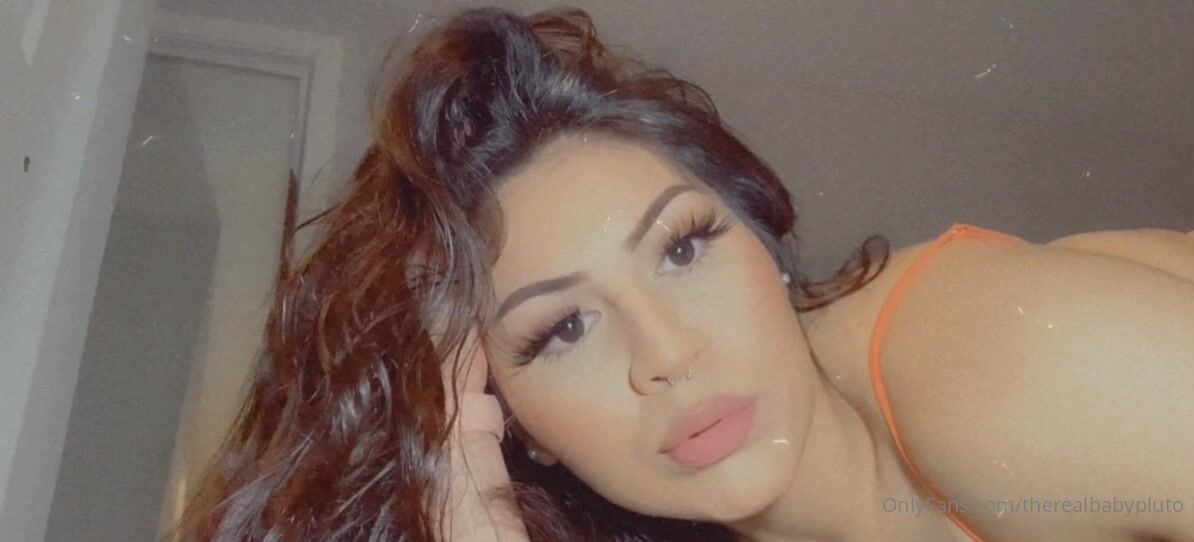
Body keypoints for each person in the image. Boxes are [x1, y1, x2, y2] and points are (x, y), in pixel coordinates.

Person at [174, 6, 1194, 542]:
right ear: (510, 423)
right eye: (562, 329)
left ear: (765, 246)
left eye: (682, 247)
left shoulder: (1000, 364)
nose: (665, 353)